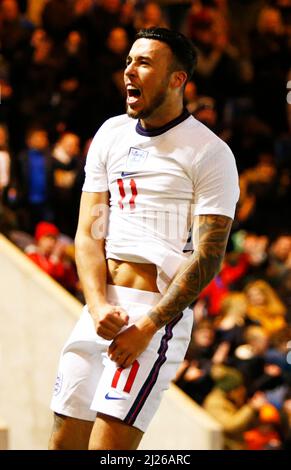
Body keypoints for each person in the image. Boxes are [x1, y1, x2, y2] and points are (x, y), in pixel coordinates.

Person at [49, 27, 239, 450]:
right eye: (129, 61)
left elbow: (208, 258)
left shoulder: (210, 153)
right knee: (61, 442)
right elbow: (88, 233)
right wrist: (97, 305)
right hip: (100, 310)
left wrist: (149, 327)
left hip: (153, 317)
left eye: (144, 62)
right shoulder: (111, 134)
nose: (130, 71)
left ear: (177, 79)